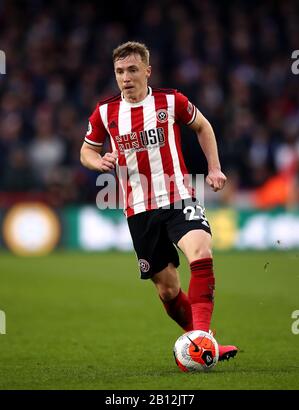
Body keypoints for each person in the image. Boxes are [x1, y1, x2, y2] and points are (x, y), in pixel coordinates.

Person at [80, 41, 238, 361]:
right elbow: (86, 150)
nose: (126, 77)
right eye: (120, 71)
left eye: (133, 70)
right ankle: (203, 341)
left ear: (147, 71)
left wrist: (215, 167)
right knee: (167, 290)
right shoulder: (105, 112)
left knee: (201, 251)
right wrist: (98, 163)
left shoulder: (171, 101)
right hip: (138, 208)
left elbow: (203, 126)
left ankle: (203, 340)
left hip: (179, 194)